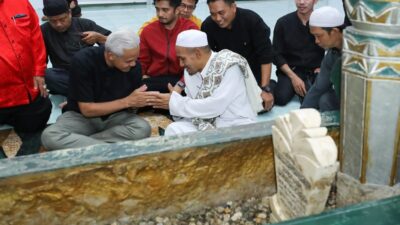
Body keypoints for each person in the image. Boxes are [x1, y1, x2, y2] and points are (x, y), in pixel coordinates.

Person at [41, 30, 156, 151]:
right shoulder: (83, 60)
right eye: (128, 61)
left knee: (142, 129)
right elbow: (87, 110)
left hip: (115, 117)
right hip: (82, 117)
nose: (133, 64)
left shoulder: (134, 67)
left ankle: (83, 143)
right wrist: (128, 101)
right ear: (111, 55)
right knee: (50, 136)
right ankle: (112, 150)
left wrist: (139, 102)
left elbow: (131, 106)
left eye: (135, 59)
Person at [149, 30, 263, 136]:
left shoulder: (228, 66)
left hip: (235, 123)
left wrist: (175, 103)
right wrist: (173, 105)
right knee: (174, 129)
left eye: (183, 59)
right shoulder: (189, 73)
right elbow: (194, 107)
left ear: (198, 53)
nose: (181, 64)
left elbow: (215, 107)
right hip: (205, 123)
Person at [0, 0, 52, 158]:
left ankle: (18, 163)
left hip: (27, 90)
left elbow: (36, 37)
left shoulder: (20, 3)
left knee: (40, 113)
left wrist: (39, 71)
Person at [201, 0, 275, 111]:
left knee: (261, 107)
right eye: (213, 14)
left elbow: (266, 57)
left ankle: (270, 85)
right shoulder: (208, 26)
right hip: (226, 79)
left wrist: (265, 89)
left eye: (221, 13)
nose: (217, 18)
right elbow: (207, 60)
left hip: (253, 77)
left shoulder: (252, 21)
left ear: (233, 7)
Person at [41, 0, 111, 96]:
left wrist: (100, 37)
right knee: (47, 75)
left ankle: (80, 93)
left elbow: (116, 43)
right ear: (47, 18)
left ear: (69, 13)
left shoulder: (85, 24)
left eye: (62, 19)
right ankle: (90, 91)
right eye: (53, 21)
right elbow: (39, 61)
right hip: (65, 75)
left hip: (90, 72)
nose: (58, 24)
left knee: (111, 56)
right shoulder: (43, 31)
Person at [139, 0, 198, 93]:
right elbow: (142, 61)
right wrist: (139, 77)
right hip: (154, 80)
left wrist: (180, 85)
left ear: (177, 10)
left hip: (183, 81)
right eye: (157, 9)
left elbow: (195, 65)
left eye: (165, 10)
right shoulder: (148, 31)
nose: (160, 14)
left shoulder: (191, 30)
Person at [272, 0, 324, 106]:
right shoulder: (283, 23)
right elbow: (276, 54)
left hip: (314, 69)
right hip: (290, 69)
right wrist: (293, 77)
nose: (301, 2)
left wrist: (323, 67)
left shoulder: (322, 22)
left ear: (315, 1)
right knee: (280, 98)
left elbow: (333, 46)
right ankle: (272, 84)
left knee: (317, 100)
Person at [301, 6, 346, 111]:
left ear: (334, 32)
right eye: (314, 36)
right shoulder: (332, 54)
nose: (316, 41)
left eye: (319, 36)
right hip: (345, 96)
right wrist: (301, 113)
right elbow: (319, 87)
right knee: (325, 99)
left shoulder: (356, 53)